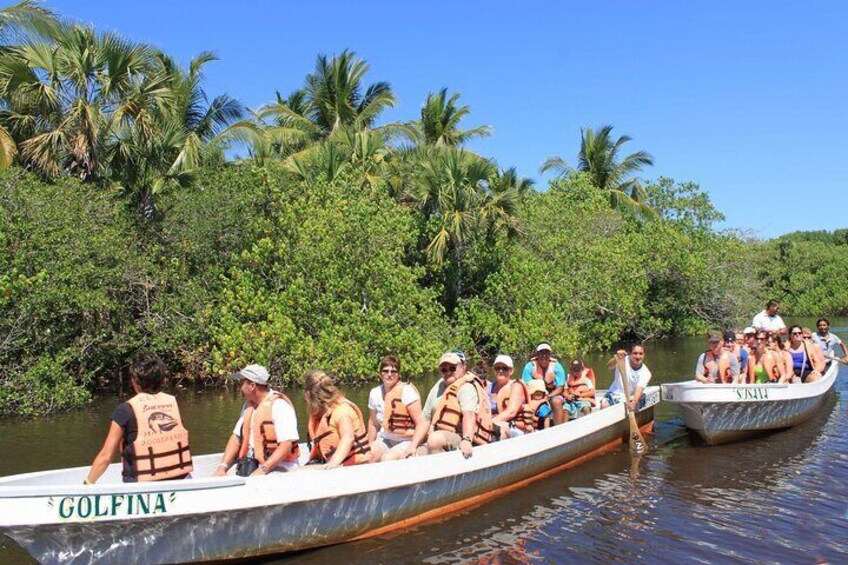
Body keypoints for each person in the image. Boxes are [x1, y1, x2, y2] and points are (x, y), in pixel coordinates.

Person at [85, 353, 193, 484]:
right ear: (162, 380)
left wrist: (88, 483)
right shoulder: (173, 403)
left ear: (134, 381)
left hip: (141, 487)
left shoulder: (124, 410)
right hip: (181, 480)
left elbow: (106, 457)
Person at [212, 364, 300, 477]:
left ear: (252, 385)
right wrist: (222, 467)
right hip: (253, 463)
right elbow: (236, 438)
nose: (240, 387)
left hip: (281, 467)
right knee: (222, 476)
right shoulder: (248, 406)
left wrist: (263, 470)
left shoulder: (280, 407)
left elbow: (286, 445)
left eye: (242, 383)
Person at [409, 352, 495, 459]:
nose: (448, 372)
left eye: (452, 368)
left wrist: (467, 439)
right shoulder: (438, 387)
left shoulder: (466, 388)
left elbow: (469, 414)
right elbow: (425, 419)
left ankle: (444, 472)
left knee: (434, 439)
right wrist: (413, 446)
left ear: (463, 368)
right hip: (440, 437)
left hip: (462, 437)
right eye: (444, 370)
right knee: (411, 456)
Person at [304, 370, 371, 469]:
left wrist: (333, 463)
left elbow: (348, 437)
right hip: (336, 462)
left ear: (309, 394)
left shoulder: (342, 411)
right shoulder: (323, 413)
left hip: (355, 465)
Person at [366, 355, 426, 461]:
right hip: (385, 438)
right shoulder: (374, 393)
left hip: (406, 440)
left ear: (398, 375)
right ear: (380, 374)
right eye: (386, 371)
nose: (389, 374)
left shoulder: (407, 391)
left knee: (387, 459)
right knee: (368, 456)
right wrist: (369, 445)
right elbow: (373, 424)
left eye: (393, 371)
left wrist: (413, 446)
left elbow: (421, 423)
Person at [521, 344, 566, 425]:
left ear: (550, 354)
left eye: (546, 353)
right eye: (541, 353)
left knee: (556, 402)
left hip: (553, 394)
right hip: (535, 395)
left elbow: (560, 388)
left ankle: (559, 428)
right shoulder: (529, 367)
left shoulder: (557, 366)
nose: (544, 355)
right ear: (537, 354)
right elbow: (525, 387)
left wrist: (548, 396)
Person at [601, 344, 652, 412]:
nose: (638, 356)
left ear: (644, 355)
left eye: (640, 354)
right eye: (635, 353)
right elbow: (609, 367)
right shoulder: (622, 359)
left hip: (630, 397)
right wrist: (616, 358)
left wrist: (633, 403)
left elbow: (639, 389)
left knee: (635, 406)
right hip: (614, 393)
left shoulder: (646, 373)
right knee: (604, 406)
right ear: (630, 354)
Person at [489, 354, 529, 439]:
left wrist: (489, 423)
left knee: (500, 428)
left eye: (505, 368)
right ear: (493, 370)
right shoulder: (489, 388)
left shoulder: (516, 386)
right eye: (497, 368)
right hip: (492, 425)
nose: (500, 371)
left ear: (511, 371)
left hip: (516, 428)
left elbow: (511, 412)